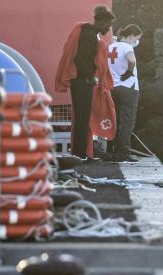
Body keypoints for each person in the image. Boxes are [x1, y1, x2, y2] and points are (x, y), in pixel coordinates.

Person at [55, 5, 116, 160]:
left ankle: (79, 152)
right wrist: (91, 77)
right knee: (83, 117)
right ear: (101, 21)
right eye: (108, 25)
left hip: (79, 81)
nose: (109, 29)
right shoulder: (89, 35)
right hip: (82, 82)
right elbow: (80, 59)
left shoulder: (88, 32)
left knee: (81, 117)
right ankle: (80, 153)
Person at [105, 24, 142, 163]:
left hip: (113, 88)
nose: (137, 42)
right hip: (128, 87)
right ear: (132, 35)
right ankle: (123, 154)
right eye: (137, 38)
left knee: (114, 120)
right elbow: (131, 59)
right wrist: (129, 71)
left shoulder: (111, 47)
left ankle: (111, 151)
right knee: (127, 122)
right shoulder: (127, 47)